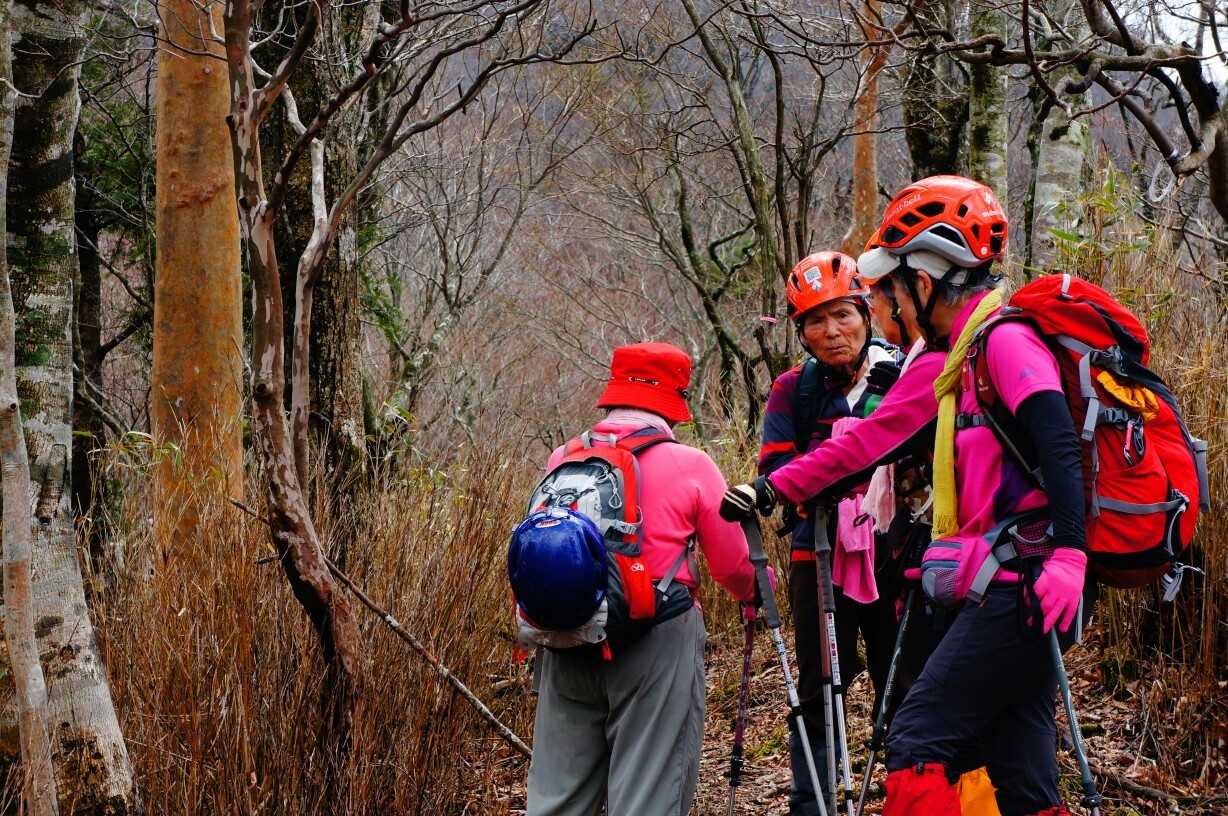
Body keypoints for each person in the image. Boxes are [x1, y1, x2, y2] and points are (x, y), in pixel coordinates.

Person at [721, 175, 1090, 816]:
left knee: (916, 738)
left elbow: (1058, 440)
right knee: (1020, 770)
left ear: (922, 281)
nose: (885, 308)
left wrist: (1072, 555)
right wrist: (774, 486)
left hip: (1023, 583)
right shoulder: (950, 359)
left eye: (888, 291)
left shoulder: (1000, 340)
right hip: (1005, 580)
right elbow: (867, 446)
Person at [526, 341, 769, 816]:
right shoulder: (690, 464)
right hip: (655, 639)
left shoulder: (563, 458)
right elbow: (733, 566)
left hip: (567, 636)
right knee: (648, 793)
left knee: (557, 798)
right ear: (674, 400)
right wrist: (760, 591)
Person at [756, 250, 908, 814]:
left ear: (866, 313)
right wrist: (840, 458)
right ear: (801, 332)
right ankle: (813, 801)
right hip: (814, 554)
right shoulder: (792, 390)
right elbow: (775, 472)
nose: (832, 331)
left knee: (902, 679)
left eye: (842, 314)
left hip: (895, 550)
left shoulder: (904, 374)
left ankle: (910, 792)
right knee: (820, 688)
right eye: (816, 321)